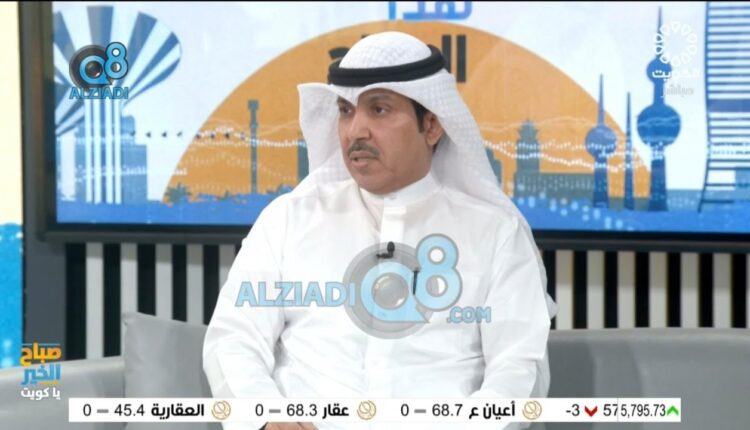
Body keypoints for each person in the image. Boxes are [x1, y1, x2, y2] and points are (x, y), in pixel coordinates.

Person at [203, 31, 557, 430]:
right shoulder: (288, 219)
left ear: (432, 125)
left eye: (379, 109)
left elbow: (518, 371)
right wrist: (267, 417)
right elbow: (234, 339)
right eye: (346, 110)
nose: (356, 130)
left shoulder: (495, 234)